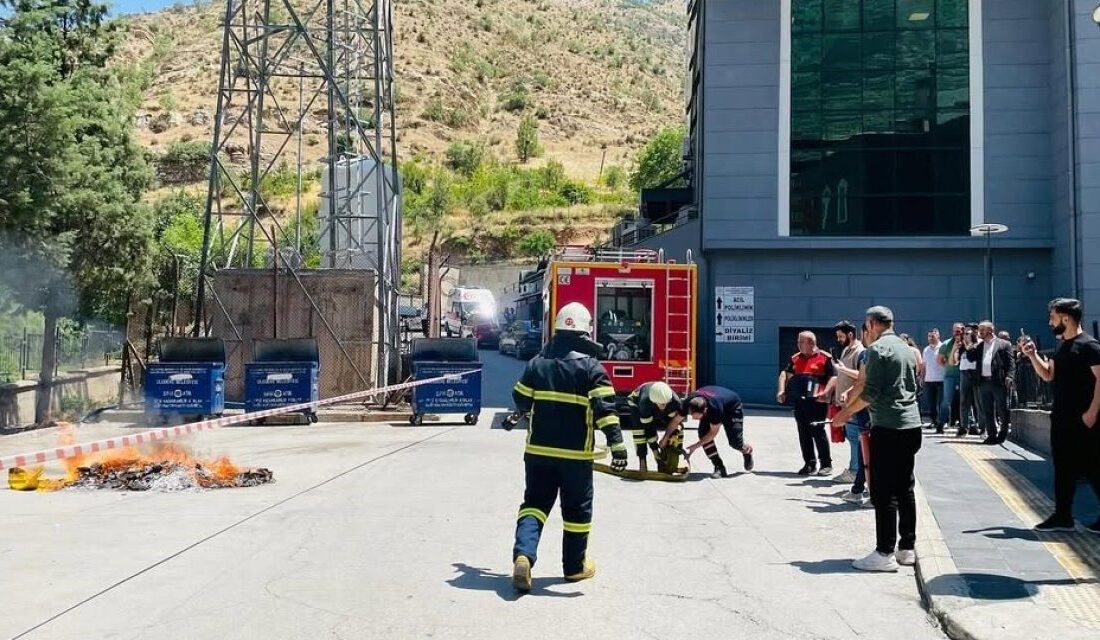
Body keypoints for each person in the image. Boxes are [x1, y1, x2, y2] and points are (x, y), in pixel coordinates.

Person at [509, 302, 628, 591]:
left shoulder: (537, 362)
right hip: (576, 456)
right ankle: (574, 568)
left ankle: (524, 555)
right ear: (586, 333)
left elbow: (520, 398)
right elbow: (606, 411)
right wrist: (618, 447)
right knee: (576, 511)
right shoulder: (592, 368)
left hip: (538, 453)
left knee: (535, 505)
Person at [833, 306, 922, 572]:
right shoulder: (906, 347)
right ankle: (906, 548)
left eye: (865, 325)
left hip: (889, 426)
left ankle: (884, 552)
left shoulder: (877, 350)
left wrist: (844, 415)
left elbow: (870, 392)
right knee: (905, 487)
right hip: (912, 425)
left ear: (871, 324)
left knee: (883, 492)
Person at [1022, 298, 1100, 533]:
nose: (1050, 322)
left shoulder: (1089, 345)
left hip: (1085, 419)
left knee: (1093, 468)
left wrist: (1092, 413)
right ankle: (1062, 516)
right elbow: (1048, 375)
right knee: (1063, 469)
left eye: (1053, 317)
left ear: (1066, 318)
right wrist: (1032, 356)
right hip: (1062, 417)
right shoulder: (1061, 346)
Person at [778, 331, 837, 476]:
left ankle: (826, 464)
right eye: (798, 342)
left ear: (811, 343)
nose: (798, 344)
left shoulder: (824, 358)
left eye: (801, 342)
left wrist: (826, 392)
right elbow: (784, 374)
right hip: (800, 401)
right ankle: (809, 464)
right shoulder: (795, 359)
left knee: (818, 432)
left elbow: (834, 377)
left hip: (817, 402)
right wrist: (781, 390)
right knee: (803, 433)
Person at [682, 385, 754, 478]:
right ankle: (719, 467)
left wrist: (695, 446)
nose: (692, 418)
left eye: (695, 416)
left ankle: (747, 450)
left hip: (732, 408)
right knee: (703, 434)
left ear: (705, 410)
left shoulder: (714, 408)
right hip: (715, 402)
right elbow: (676, 419)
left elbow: (712, 434)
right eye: (691, 414)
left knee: (735, 443)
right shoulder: (689, 401)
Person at [830, 321, 865, 486]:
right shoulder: (846, 349)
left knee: (856, 438)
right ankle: (854, 468)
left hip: (854, 403)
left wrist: (842, 369)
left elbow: (862, 376)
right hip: (846, 403)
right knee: (852, 438)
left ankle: (855, 471)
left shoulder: (860, 351)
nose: (838, 339)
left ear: (850, 335)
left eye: (841, 336)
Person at [968, 321, 1014, 444]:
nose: (979, 332)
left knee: (1002, 409)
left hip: (998, 381)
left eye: (982, 329)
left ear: (990, 330)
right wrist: (970, 344)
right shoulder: (979, 345)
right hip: (983, 381)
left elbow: (1011, 363)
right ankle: (991, 434)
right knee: (987, 410)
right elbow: (970, 358)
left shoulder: (1004, 344)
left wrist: (1010, 376)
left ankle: (1003, 434)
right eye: (979, 330)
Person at [626, 381, 684, 473]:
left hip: (659, 404)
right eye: (661, 404)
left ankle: (675, 460)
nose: (663, 407)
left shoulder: (675, 402)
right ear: (654, 401)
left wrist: (667, 438)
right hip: (636, 404)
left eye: (665, 404)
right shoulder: (644, 402)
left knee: (678, 430)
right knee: (639, 431)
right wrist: (655, 451)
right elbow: (648, 428)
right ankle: (642, 463)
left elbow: (675, 423)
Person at [951, 324, 984, 438]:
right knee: (964, 401)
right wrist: (956, 348)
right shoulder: (962, 345)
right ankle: (963, 427)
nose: (965, 335)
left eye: (968, 333)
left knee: (979, 401)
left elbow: (974, 357)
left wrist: (969, 344)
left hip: (975, 372)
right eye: (965, 333)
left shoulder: (980, 343)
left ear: (975, 332)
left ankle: (982, 426)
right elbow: (955, 361)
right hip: (964, 372)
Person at [937, 323, 965, 430]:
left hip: (964, 376)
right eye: (956, 330)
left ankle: (967, 424)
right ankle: (941, 423)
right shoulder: (946, 344)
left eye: (960, 330)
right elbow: (939, 360)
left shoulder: (967, 343)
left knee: (965, 400)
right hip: (950, 376)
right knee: (946, 400)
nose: (958, 332)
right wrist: (948, 365)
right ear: (952, 331)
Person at [922, 329, 946, 433]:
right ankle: (934, 421)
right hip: (929, 380)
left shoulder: (943, 347)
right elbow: (924, 365)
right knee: (931, 403)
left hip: (941, 379)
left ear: (938, 336)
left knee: (941, 403)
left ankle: (942, 422)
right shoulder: (926, 350)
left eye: (932, 336)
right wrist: (922, 378)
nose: (930, 338)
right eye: (929, 336)